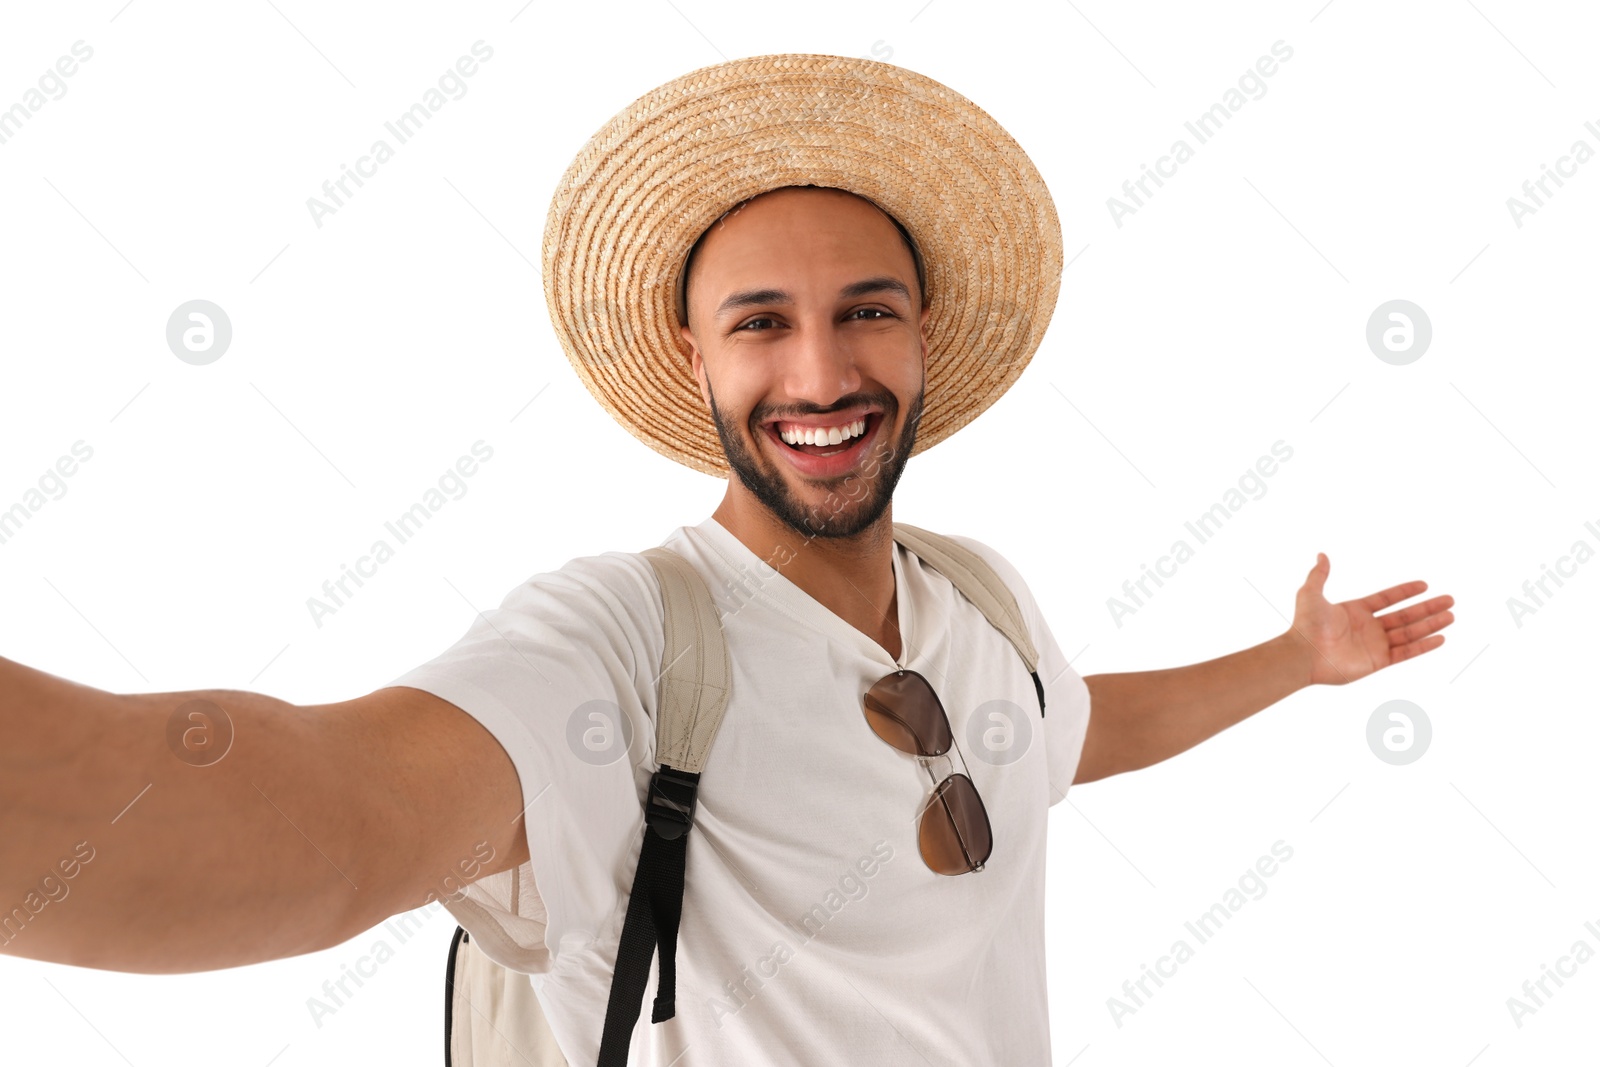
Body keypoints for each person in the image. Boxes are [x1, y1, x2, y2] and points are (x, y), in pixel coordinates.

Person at [0, 54, 1454, 1065]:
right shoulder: (624, 640)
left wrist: (1296, 663)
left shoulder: (981, 598)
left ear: (925, 335)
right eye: (761, 322)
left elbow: (1066, 730)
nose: (821, 373)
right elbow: (319, 820)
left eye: (867, 311)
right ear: (691, 355)